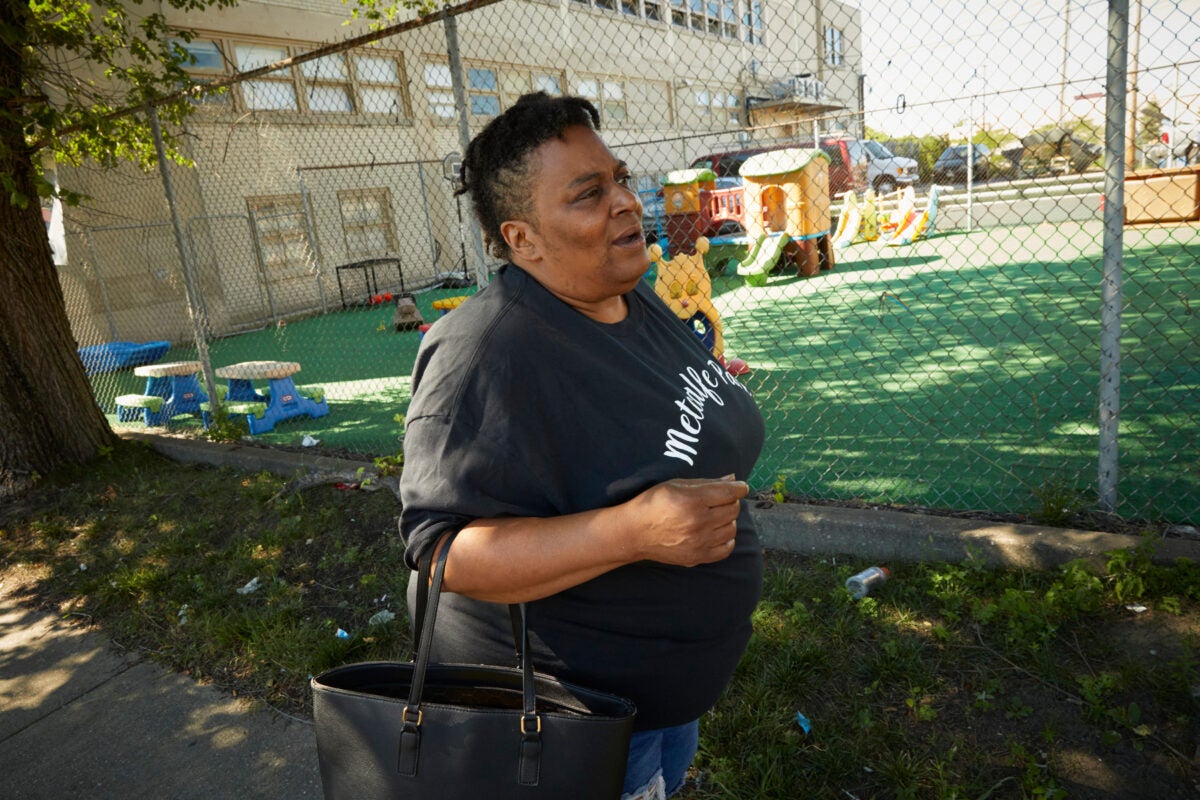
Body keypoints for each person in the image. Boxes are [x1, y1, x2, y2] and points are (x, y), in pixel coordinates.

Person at [399, 91, 765, 800]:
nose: (626, 201)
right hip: (570, 728)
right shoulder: (486, 352)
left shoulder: (627, 294)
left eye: (620, 178)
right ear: (524, 238)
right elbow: (440, 551)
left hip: (660, 706)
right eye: (588, 194)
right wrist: (631, 531)